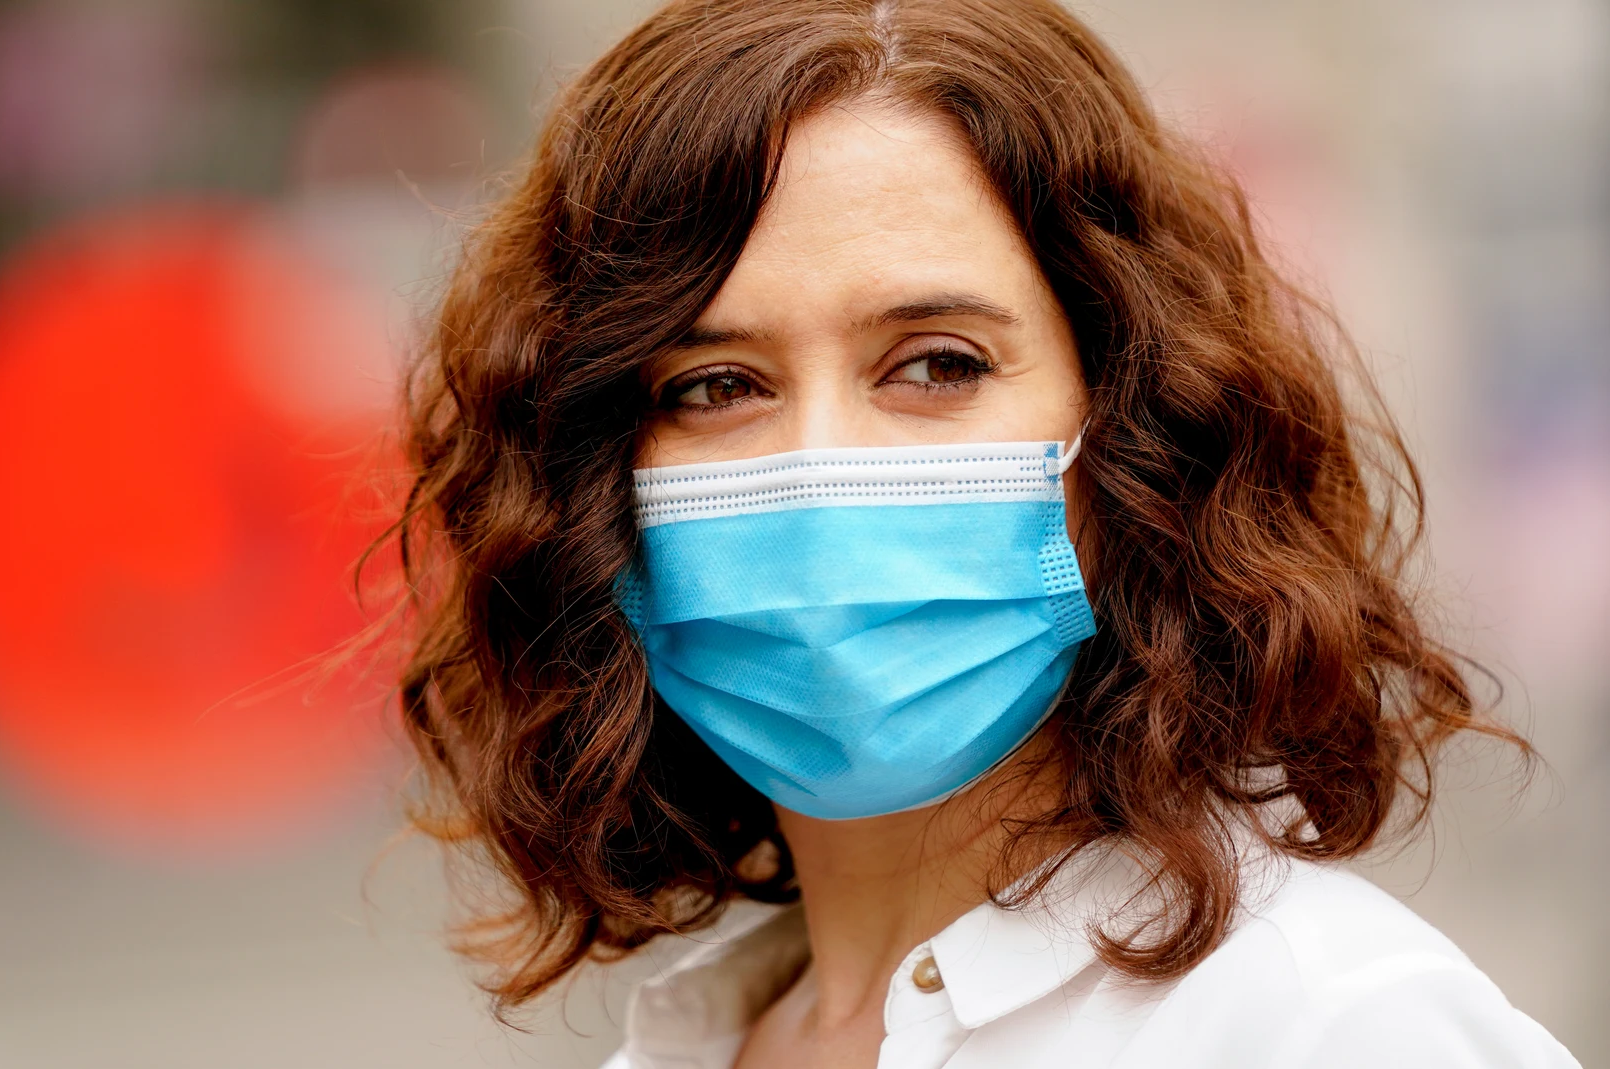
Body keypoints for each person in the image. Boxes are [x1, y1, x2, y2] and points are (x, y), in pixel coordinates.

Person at [390, 1, 1581, 1066]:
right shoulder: (691, 1046)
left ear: (1132, 426)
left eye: (936, 364)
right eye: (714, 385)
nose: (822, 467)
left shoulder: (1331, 1029)